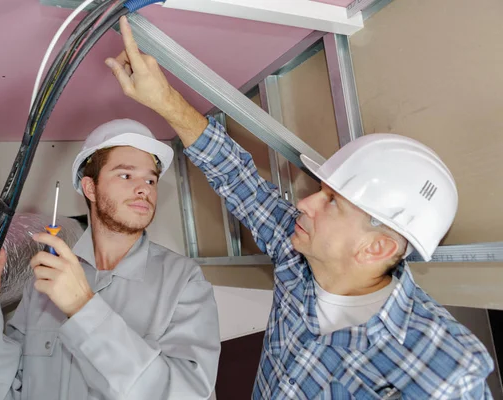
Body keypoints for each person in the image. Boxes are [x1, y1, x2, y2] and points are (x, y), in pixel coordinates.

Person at [105, 16, 495, 399]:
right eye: (319, 190)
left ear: (377, 248)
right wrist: (164, 100)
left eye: (332, 202)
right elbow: (241, 181)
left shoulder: (447, 371)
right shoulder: (299, 255)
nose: (305, 203)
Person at [0, 118, 221, 400]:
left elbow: (186, 394)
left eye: (150, 179)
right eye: (126, 175)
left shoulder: (184, 281)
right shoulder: (45, 281)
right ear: (90, 188)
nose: (145, 188)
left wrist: (83, 309)